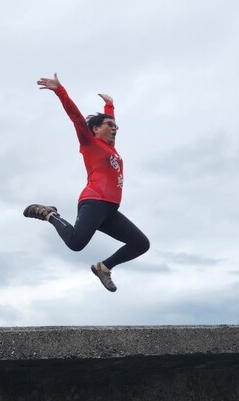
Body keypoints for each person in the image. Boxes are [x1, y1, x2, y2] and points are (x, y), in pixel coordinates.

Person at [24, 73, 150, 292]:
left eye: (116, 127)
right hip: (93, 201)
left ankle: (104, 267)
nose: (114, 128)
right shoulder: (89, 143)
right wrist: (60, 91)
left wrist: (110, 106)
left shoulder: (112, 149)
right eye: (110, 125)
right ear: (95, 129)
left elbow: (110, 122)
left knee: (141, 244)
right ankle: (50, 214)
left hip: (110, 210)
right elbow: (76, 118)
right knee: (75, 243)